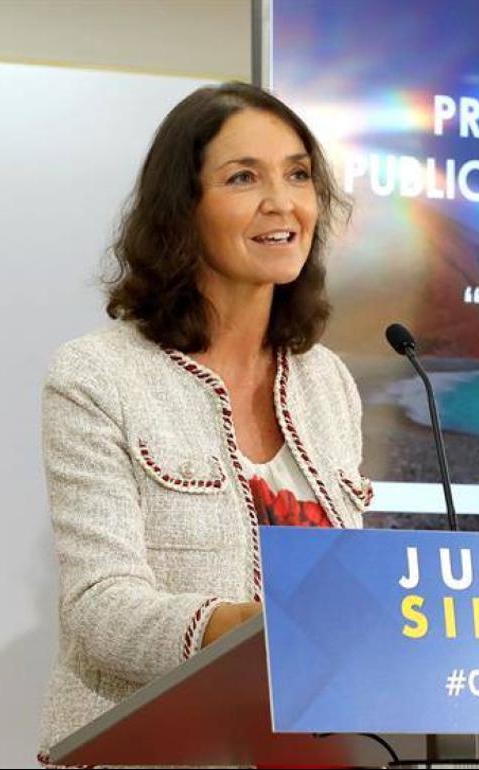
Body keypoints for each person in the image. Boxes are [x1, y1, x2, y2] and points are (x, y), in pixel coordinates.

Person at [37, 82, 372, 759]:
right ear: (182, 211)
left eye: (298, 175)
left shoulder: (327, 382)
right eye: (243, 177)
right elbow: (99, 607)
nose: (282, 203)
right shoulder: (97, 377)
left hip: (301, 750)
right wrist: (242, 629)